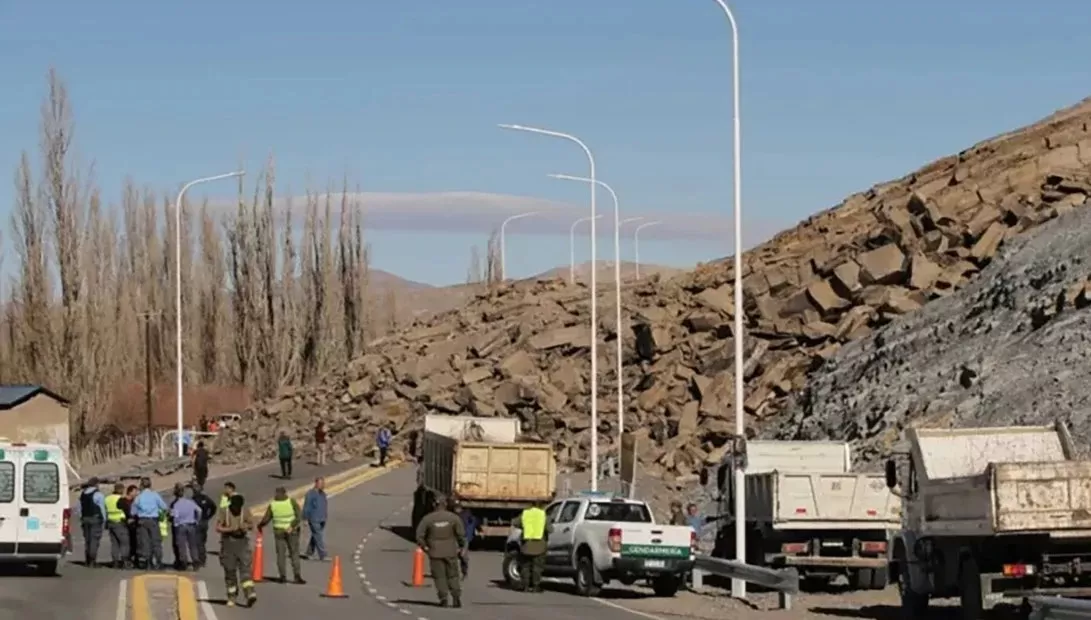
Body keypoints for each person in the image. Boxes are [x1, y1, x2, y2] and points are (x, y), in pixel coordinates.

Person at [415, 494, 466, 608]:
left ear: (434, 504)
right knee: (453, 575)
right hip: (451, 552)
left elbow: (419, 535)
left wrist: (425, 547)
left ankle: (443, 598)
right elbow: (461, 535)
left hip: (435, 552)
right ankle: (456, 597)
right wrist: (462, 547)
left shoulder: (428, 519)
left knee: (440, 577)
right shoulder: (453, 518)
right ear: (446, 504)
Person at [216, 494, 258, 608]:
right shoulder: (225, 512)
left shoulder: (245, 512)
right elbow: (218, 527)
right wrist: (228, 529)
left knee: (245, 570)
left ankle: (250, 594)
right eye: (234, 507)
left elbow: (252, 525)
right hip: (228, 543)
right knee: (230, 571)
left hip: (242, 543)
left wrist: (246, 526)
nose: (236, 510)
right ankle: (231, 596)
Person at [258, 486, 305, 584]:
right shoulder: (291, 502)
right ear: (285, 493)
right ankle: (297, 576)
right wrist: (292, 525)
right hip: (291, 531)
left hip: (279, 532)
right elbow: (298, 515)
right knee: (294, 554)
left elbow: (266, 519)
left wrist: (260, 525)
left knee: (280, 555)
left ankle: (282, 576)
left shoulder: (273, 505)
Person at [513, 498, 549, 592]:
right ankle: (536, 586)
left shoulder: (525, 513)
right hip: (539, 544)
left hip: (526, 543)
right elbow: (550, 529)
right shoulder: (543, 514)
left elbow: (515, 523)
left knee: (525, 566)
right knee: (537, 567)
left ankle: (525, 586)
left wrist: (524, 527)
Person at [132, 477, 168, 569]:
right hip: (153, 520)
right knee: (156, 541)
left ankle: (148, 563)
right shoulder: (155, 495)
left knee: (145, 542)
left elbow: (133, 512)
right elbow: (164, 507)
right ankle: (159, 562)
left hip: (142, 521)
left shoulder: (138, 497)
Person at [171, 485, 202, 570]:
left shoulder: (176, 504)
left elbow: (175, 516)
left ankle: (183, 562)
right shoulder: (190, 502)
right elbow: (199, 510)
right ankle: (195, 561)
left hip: (181, 526)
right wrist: (197, 520)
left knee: (182, 546)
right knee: (193, 545)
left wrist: (175, 524)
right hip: (191, 525)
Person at [79, 477, 107, 567]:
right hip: (95, 518)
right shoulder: (98, 494)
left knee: (87, 540)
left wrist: (81, 517)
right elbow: (102, 508)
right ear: (97, 484)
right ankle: (92, 560)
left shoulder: (83, 494)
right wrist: (104, 519)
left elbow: (79, 508)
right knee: (94, 540)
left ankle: (87, 559)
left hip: (85, 518)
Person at [192, 482, 218, 568]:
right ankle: (202, 559)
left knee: (198, 543)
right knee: (202, 542)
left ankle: (200, 560)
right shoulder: (206, 499)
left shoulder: (194, 500)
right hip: (205, 522)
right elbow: (214, 507)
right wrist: (208, 516)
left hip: (198, 522)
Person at [301, 477, 328, 561]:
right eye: (321, 484)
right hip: (314, 518)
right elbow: (306, 507)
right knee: (319, 536)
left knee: (315, 536)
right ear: (316, 484)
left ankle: (308, 553)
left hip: (322, 518)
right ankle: (323, 555)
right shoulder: (310, 494)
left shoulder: (323, 493)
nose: (323, 485)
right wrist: (305, 518)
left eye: (323, 484)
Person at [104, 483, 130, 569]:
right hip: (119, 522)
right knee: (124, 543)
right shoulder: (120, 499)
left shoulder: (107, 498)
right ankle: (124, 561)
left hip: (110, 522)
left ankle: (115, 562)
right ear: (121, 490)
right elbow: (127, 510)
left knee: (114, 544)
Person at [451, 498, 474, 578]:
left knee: (463, 555)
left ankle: (464, 572)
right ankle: (453, 573)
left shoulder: (466, 514)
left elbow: (472, 522)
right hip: (455, 538)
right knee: (453, 555)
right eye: (455, 507)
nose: (457, 509)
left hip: (464, 538)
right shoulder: (452, 516)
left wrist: (478, 529)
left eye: (458, 507)